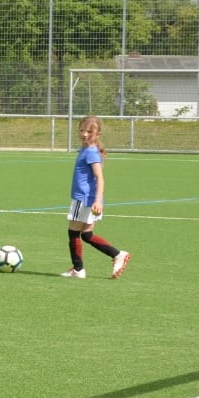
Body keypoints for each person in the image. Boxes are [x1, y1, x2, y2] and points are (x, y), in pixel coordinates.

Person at [63, 114, 131, 279]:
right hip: (88, 199)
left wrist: (98, 200)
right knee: (87, 235)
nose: (84, 134)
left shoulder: (91, 152)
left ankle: (78, 270)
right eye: (82, 130)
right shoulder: (86, 150)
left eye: (89, 132)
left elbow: (100, 178)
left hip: (84, 199)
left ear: (98, 134)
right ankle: (117, 255)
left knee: (73, 232)